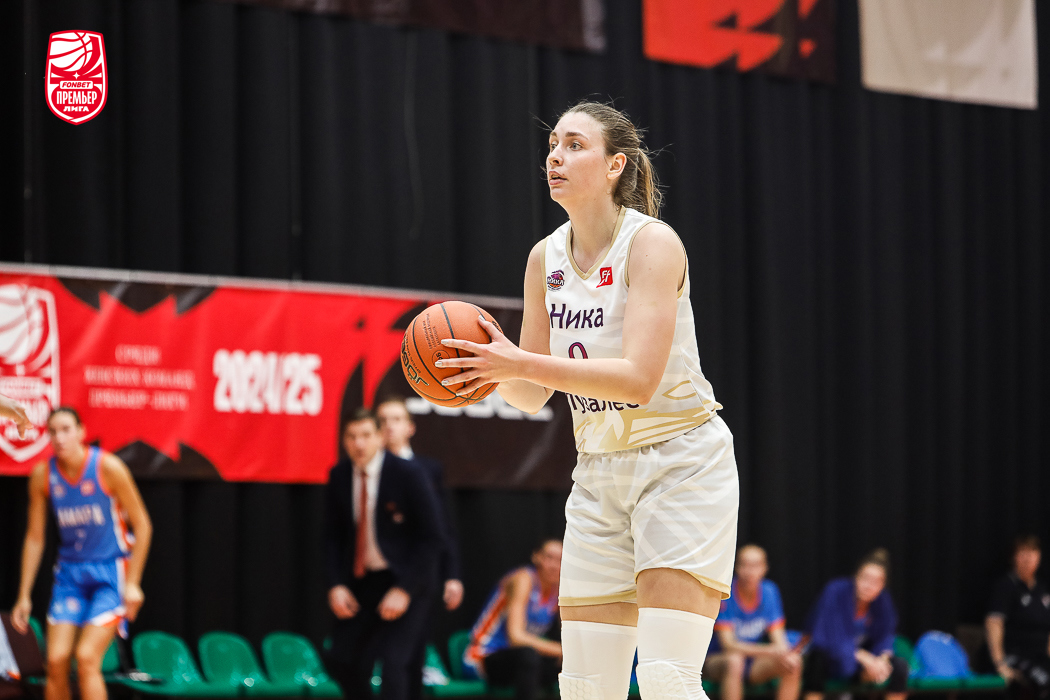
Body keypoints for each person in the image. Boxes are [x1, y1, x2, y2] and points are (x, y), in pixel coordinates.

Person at [436, 100, 739, 700]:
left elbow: (638, 380)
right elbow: (530, 393)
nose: (555, 155)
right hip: (598, 470)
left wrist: (518, 363)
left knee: (666, 679)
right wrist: (482, 374)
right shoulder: (544, 257)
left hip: (680, 463)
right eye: (553, 144)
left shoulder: (652, 243)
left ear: (614, 165)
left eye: (575, 144)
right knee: (584, 688)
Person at [11, 407, 152, 700]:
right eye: (52, 432)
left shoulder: (108, 467)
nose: (59, 438)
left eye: (66, 429)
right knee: (56, 661)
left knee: (87, 658)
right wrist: (24, 594)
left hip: (109, 572)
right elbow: (35, 538)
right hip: (70, 575)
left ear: (81, 432)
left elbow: (143, 525)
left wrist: (134, 583)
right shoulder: (43, 475)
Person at [323, 408, 443, 700]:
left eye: (366, 435)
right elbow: (332, 537)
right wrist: (336, 584)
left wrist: (404, 589)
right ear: (343, 440)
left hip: (409, 580)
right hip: (365, 581)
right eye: (351, 437)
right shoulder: (340, 475)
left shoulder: (407, 473)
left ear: (380, 437)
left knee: (394, 664)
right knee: (342, 659)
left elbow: (433, 537)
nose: (359, 444)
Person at [376, 396, 464, 697]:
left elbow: (443, 528)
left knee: (410, 657)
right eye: (382, 421)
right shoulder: (368, 470)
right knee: (388, 658)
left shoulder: (428, 469)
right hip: (379, 576)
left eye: (396, 419)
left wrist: (452, 575)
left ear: (410, 427)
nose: (389, 426)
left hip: (420, 576)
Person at [802, 549, 908, 700]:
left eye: (876, 582)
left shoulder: (884, 601)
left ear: (882, 585)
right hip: (833, 658)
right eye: (865, 578)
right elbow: (828, 639)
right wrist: (864, 658)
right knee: (818, 659)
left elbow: (885, 638)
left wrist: (881, 660)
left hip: (863, 664)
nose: (868, 586)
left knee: (899, 667)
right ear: (855, 577)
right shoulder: (835, 591)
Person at [463, 539, 563, 700]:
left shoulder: (558, 589)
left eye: (560, 560)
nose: (554, 565)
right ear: (536, 557)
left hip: (521, 663)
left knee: (572, 664)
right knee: (528, 655)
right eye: (549, 557)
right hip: (485, 657)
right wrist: (561, 650)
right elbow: (516, 638)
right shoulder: (523, 578)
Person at [703, 545, 801, 700]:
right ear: (736, 567)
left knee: (793, 663)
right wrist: (771, 650)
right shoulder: (726, 592)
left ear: (765, 568)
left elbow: (779, 640)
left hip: (753, 662)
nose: (750, 572)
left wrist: (785, 653)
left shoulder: (769, 591)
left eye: (755, 565)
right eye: (745, 565)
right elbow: (729, 645)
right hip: (718, 659)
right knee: (735, 661)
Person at [986, 535, 1050, 700]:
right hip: (1014, 656)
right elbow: (994, 623)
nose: (1028, 559)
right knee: (1045, 681)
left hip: (1039, 658)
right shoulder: (1006, 586)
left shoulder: (1043, 590)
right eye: (1023, 553)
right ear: (1014, 557)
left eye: (1032, 552)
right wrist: (1000, 664)